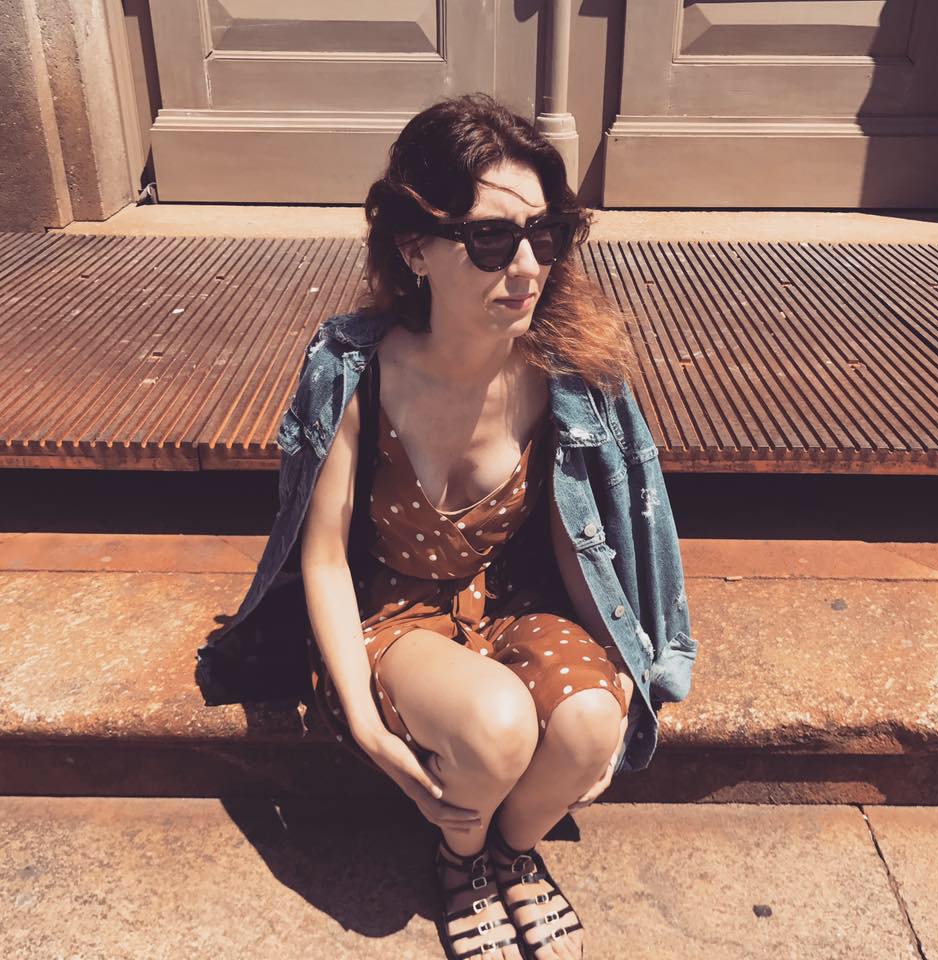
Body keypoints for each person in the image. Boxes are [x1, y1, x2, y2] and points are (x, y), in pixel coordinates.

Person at [197, 92, 697, 960]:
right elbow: (323, 557)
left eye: (547, 234)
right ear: (414, 247)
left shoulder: (567, 375)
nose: (529, 267)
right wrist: (362, 721)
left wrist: (627, 672)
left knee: (589, 725)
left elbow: (591, 539)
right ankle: (458, 861)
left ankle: (511, 851)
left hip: (512, 600)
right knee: (497, 727)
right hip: (393, 615)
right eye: (492, 239)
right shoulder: (356, 372)